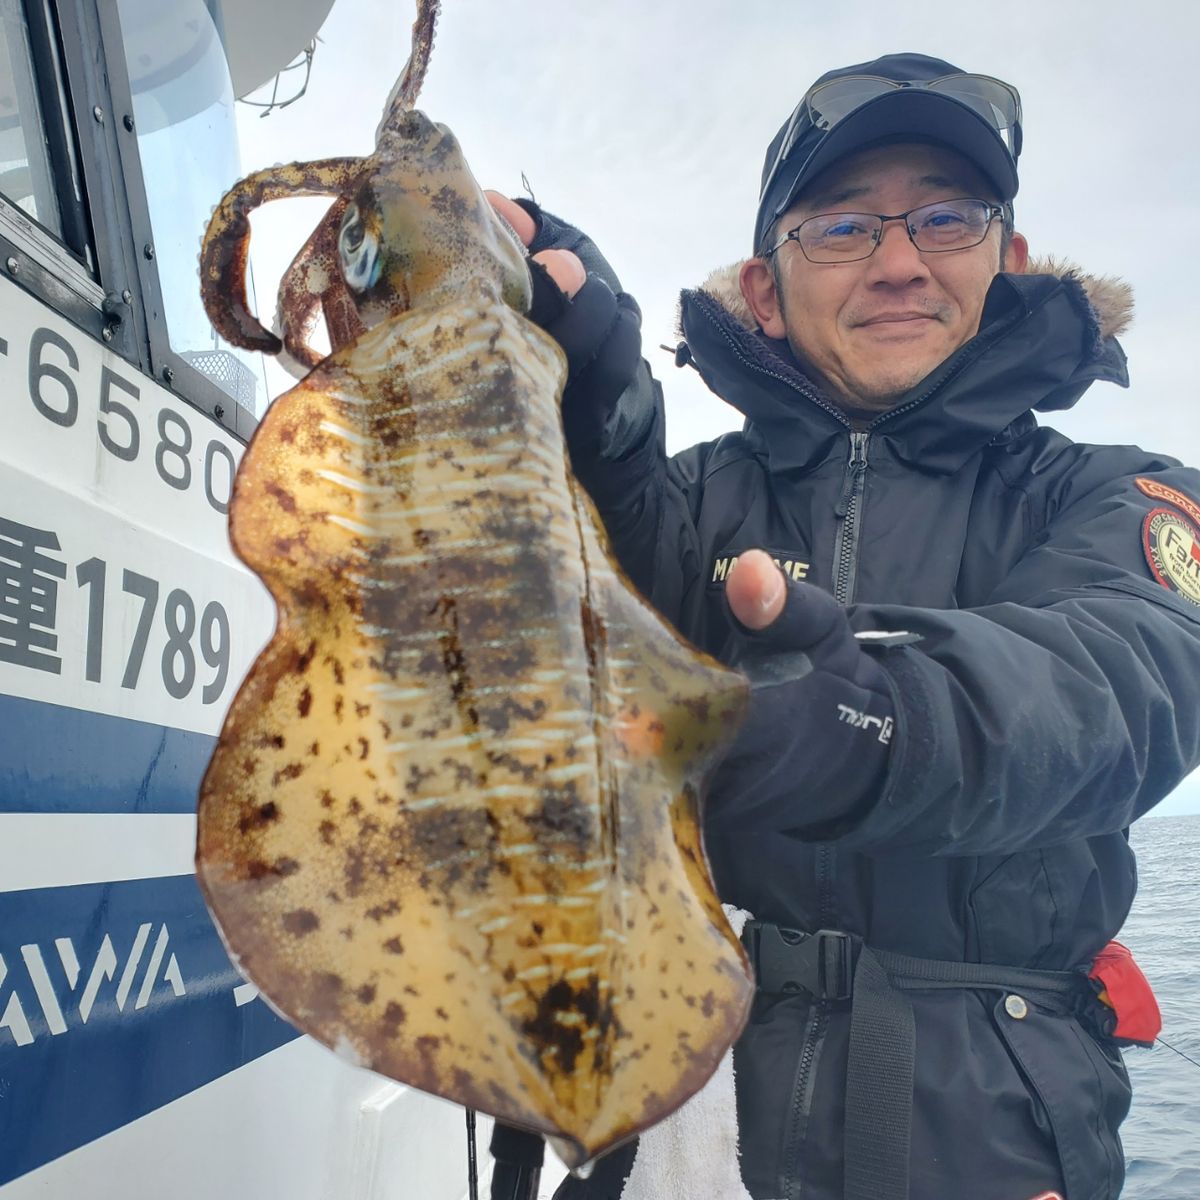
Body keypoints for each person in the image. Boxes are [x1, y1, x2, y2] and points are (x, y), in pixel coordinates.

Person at [488, 52, 1200, 1200]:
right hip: (662, 1111)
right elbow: (579, 544)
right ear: (764, 287)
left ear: (1006, 261)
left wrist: (871, 718)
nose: (902, 262)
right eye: (843, 228)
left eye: (946, 218)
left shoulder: (1125, 498)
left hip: (986, 1141)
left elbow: (1120, 687)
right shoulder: (690, 507)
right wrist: (591, 376)